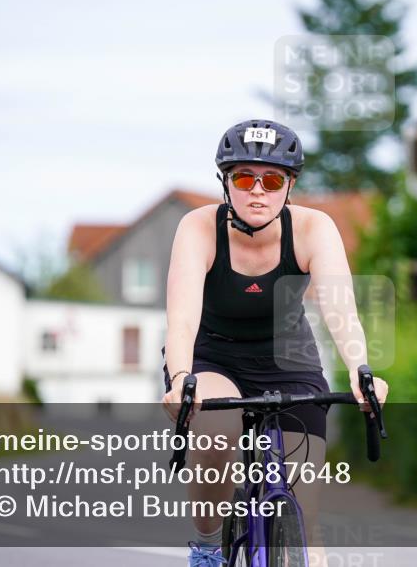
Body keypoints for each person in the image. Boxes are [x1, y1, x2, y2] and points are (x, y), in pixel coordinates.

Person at [161, 119, 389, 566]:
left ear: (290, 186)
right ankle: (208, 546)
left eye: (271, 180)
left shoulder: (313, 228)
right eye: (244, 178)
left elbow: (341, 310)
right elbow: (182, 319)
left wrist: (361, 372)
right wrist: (181, 379)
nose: (257, 192)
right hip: (211, 355)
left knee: (306, 511)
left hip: (287, 357)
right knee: (217, 434)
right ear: (225, 182)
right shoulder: (198, 227)